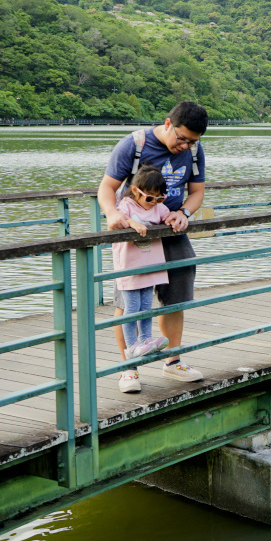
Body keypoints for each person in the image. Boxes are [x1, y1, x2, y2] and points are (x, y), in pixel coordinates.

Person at [98, 101, 208, 391]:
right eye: (181, 138)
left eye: (192, 141)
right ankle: (128, 369)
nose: (185, 146)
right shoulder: (134, 145)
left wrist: (183, 212)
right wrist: (113, 214)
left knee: (176, 296)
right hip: (135, 233)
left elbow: (197, 192)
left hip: (170, 231)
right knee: (128, 300)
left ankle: (172, 361)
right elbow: (107, 188)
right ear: (168, 123)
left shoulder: (194, 151)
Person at [112, 163, 172, 393]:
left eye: (160, 198)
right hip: (129, 266)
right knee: (132, 307)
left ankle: (146, 340)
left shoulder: (158, 207)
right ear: (136, 191)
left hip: (150, 264)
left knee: (147, 305)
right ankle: (131, 347)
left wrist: (174, 217)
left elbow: (167, 215)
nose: (155, 202)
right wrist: (132, 223)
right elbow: (117, 218)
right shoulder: (126, 204)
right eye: (151, 198)